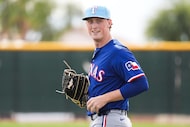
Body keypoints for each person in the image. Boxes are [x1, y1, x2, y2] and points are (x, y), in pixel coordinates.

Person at [82, 5, 149, 127]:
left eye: (99, 21)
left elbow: (141, 83)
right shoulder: (100, 52)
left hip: (110, 119)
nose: (94, 26)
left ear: (109, 23)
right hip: (104, 119)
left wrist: (104, 98)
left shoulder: (117, 51)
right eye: (90, 21)